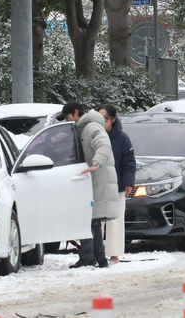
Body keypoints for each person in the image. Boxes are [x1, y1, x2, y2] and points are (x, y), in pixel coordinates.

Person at [56, 102, 118, 268]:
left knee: (89, 220)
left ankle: (89, 257)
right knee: (93, 221)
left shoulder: (91, 128)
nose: (67, 121)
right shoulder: (84, 128)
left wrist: (96, 163)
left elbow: (103, 144)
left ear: (75, 113)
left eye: (68, 117)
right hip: (92, 179)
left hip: (97, 179)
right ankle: (99, 259)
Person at [97, 104, 136, 264]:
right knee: (97, 221)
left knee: (115, 220)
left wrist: (128, 182)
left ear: (112, 119)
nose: (102, 122)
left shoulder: (122, 138)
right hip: (97, 185)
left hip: (117, 185)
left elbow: (129, 162)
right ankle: (96, 251)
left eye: (104, 118)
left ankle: (114, 253)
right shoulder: (94, 135)